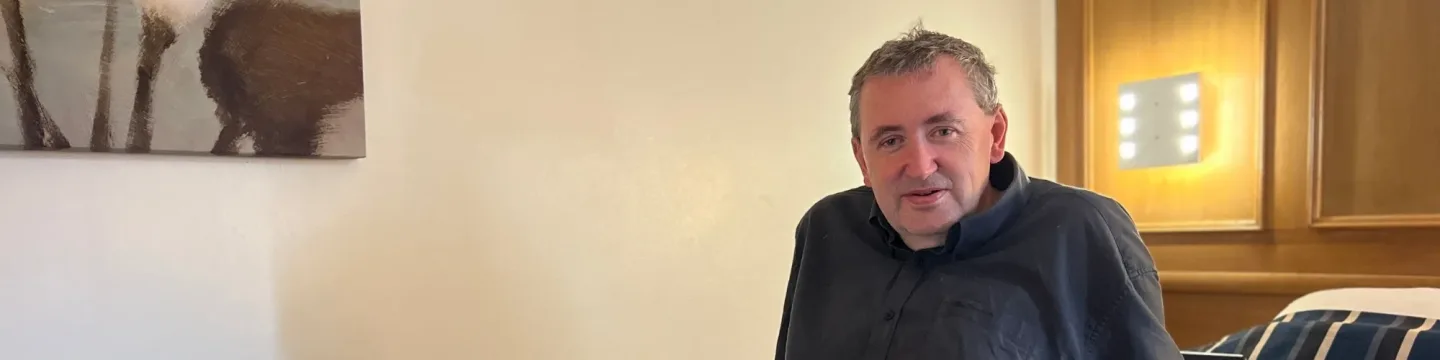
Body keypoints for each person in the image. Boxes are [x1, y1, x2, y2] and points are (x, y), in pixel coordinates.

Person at [774, 25, 1182, 360]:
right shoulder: (825, 230)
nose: (919, 166)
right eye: (890, 141)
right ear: (862, 158)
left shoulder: (1083, 231)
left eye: (944, 132)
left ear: (996, 134)